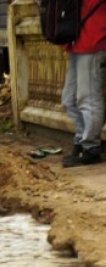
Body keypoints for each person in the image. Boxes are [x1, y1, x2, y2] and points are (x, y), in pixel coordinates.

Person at [60, 0, 105, 167]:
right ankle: (81, 140)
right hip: (77, 41)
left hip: (94, 41)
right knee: (69, 100)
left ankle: (91, 147)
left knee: (88, 99)